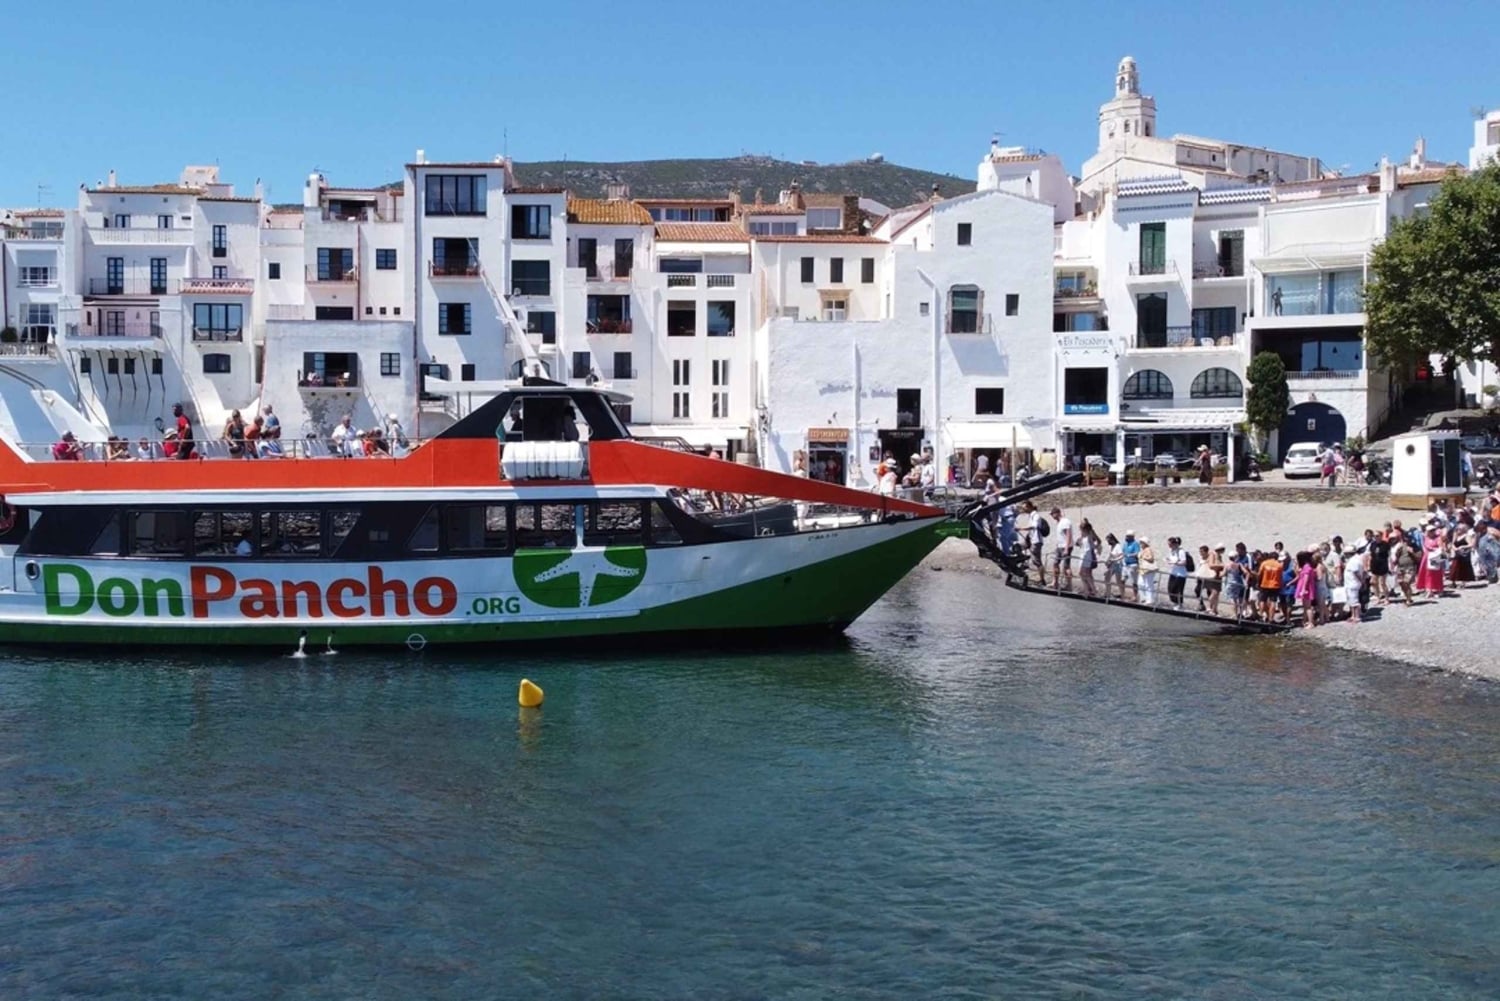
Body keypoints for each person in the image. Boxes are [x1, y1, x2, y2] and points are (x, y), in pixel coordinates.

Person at [1049, 506, 1074, 590]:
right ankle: (1055, 582)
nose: (1052, 516)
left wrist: (1066, 548)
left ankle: (1069, 585)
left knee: (1066, 566)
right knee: (1055, 563)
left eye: (1052, 514)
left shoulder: (1065, 522)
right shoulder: (1059, 522)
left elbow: (1068, 535)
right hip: (1060, 546)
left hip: (1065, 547)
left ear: (1057, 513)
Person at [1223, 543, 1249, 619]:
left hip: (1231, 583)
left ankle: (1235, 614)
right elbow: (1247, 573)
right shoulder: (1239, 564)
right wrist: (1246, 582)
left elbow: (1223, 574)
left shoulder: (1227, 565)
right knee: (1238, 598)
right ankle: (1240, 613)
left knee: (1233, 599)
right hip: (1238, 583)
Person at [1256, 549, 1283, 622]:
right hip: (1275, 585)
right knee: (1273, 602)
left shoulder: (1264, 563)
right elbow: (1280, 577)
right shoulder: (1279, 565)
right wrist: (1281, 585)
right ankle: (1271, 618)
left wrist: (1258, 583)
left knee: (1262, 600)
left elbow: (1259, 574)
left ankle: (1261, 616)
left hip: (1264, 584)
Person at [1165, 536, 1189, 607]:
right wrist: (1168, 560)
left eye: (1170, 544)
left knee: (1178, 589)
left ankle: (1179, 604)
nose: (1169, 546)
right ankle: (1175, 603)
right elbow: (1171, 558)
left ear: (1174, 544)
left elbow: (1184, 562)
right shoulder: (1172, 551)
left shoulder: (1181, 551)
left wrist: (1175, 563)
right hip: (1173, 572)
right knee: (1170, 588)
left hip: (1180, 574)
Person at [1077, 519, 1099, 597]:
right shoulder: (1083, 537)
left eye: (1081, 529)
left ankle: (1093, 590)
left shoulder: (1089, 536)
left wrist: (1095, 547)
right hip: (1082, 555)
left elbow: (1096, 541)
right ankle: (1087, 589)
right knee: (1082, 573)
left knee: (1086, 573)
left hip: (1087, 556)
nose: (1080, 530)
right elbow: (1080, 544)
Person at [1136, 536, 1159, 605]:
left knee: (1148, 584)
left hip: (1148, 569)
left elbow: (1151, 558)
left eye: (1141, 542)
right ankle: (1144, 598)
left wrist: (1144, 557)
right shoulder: (1142, 550)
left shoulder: (1148, 549)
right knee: (1140, 583)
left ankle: (1150, 600)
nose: (1140, 544)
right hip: (1142, 569)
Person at [1104, 533, 1126, 600]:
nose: (1108, 542)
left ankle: (1122, 595)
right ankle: (1108, 593)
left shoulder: (1118, 546)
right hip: (1112, 565)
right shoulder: (1112, 547)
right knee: (1107, 577)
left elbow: (1121, 555)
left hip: (1118, 564)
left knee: (1118, 581)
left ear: (1112, 540)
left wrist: (1114, 559)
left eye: (1109, 540)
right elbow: (1111, 555)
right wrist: (1108, 561)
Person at [1121, 530, 1141, 601]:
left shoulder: (1135, 544)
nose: (1126, 537)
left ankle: (1135, 596)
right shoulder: (1125, 544)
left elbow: (1137, 553)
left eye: (1128, 536)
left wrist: (1130, 555)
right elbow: (1123, 552)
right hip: (1125, 564)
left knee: (1134, 582)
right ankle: (1122, 594)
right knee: (1122, 580)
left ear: (1131, 537)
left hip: (1133, 564)